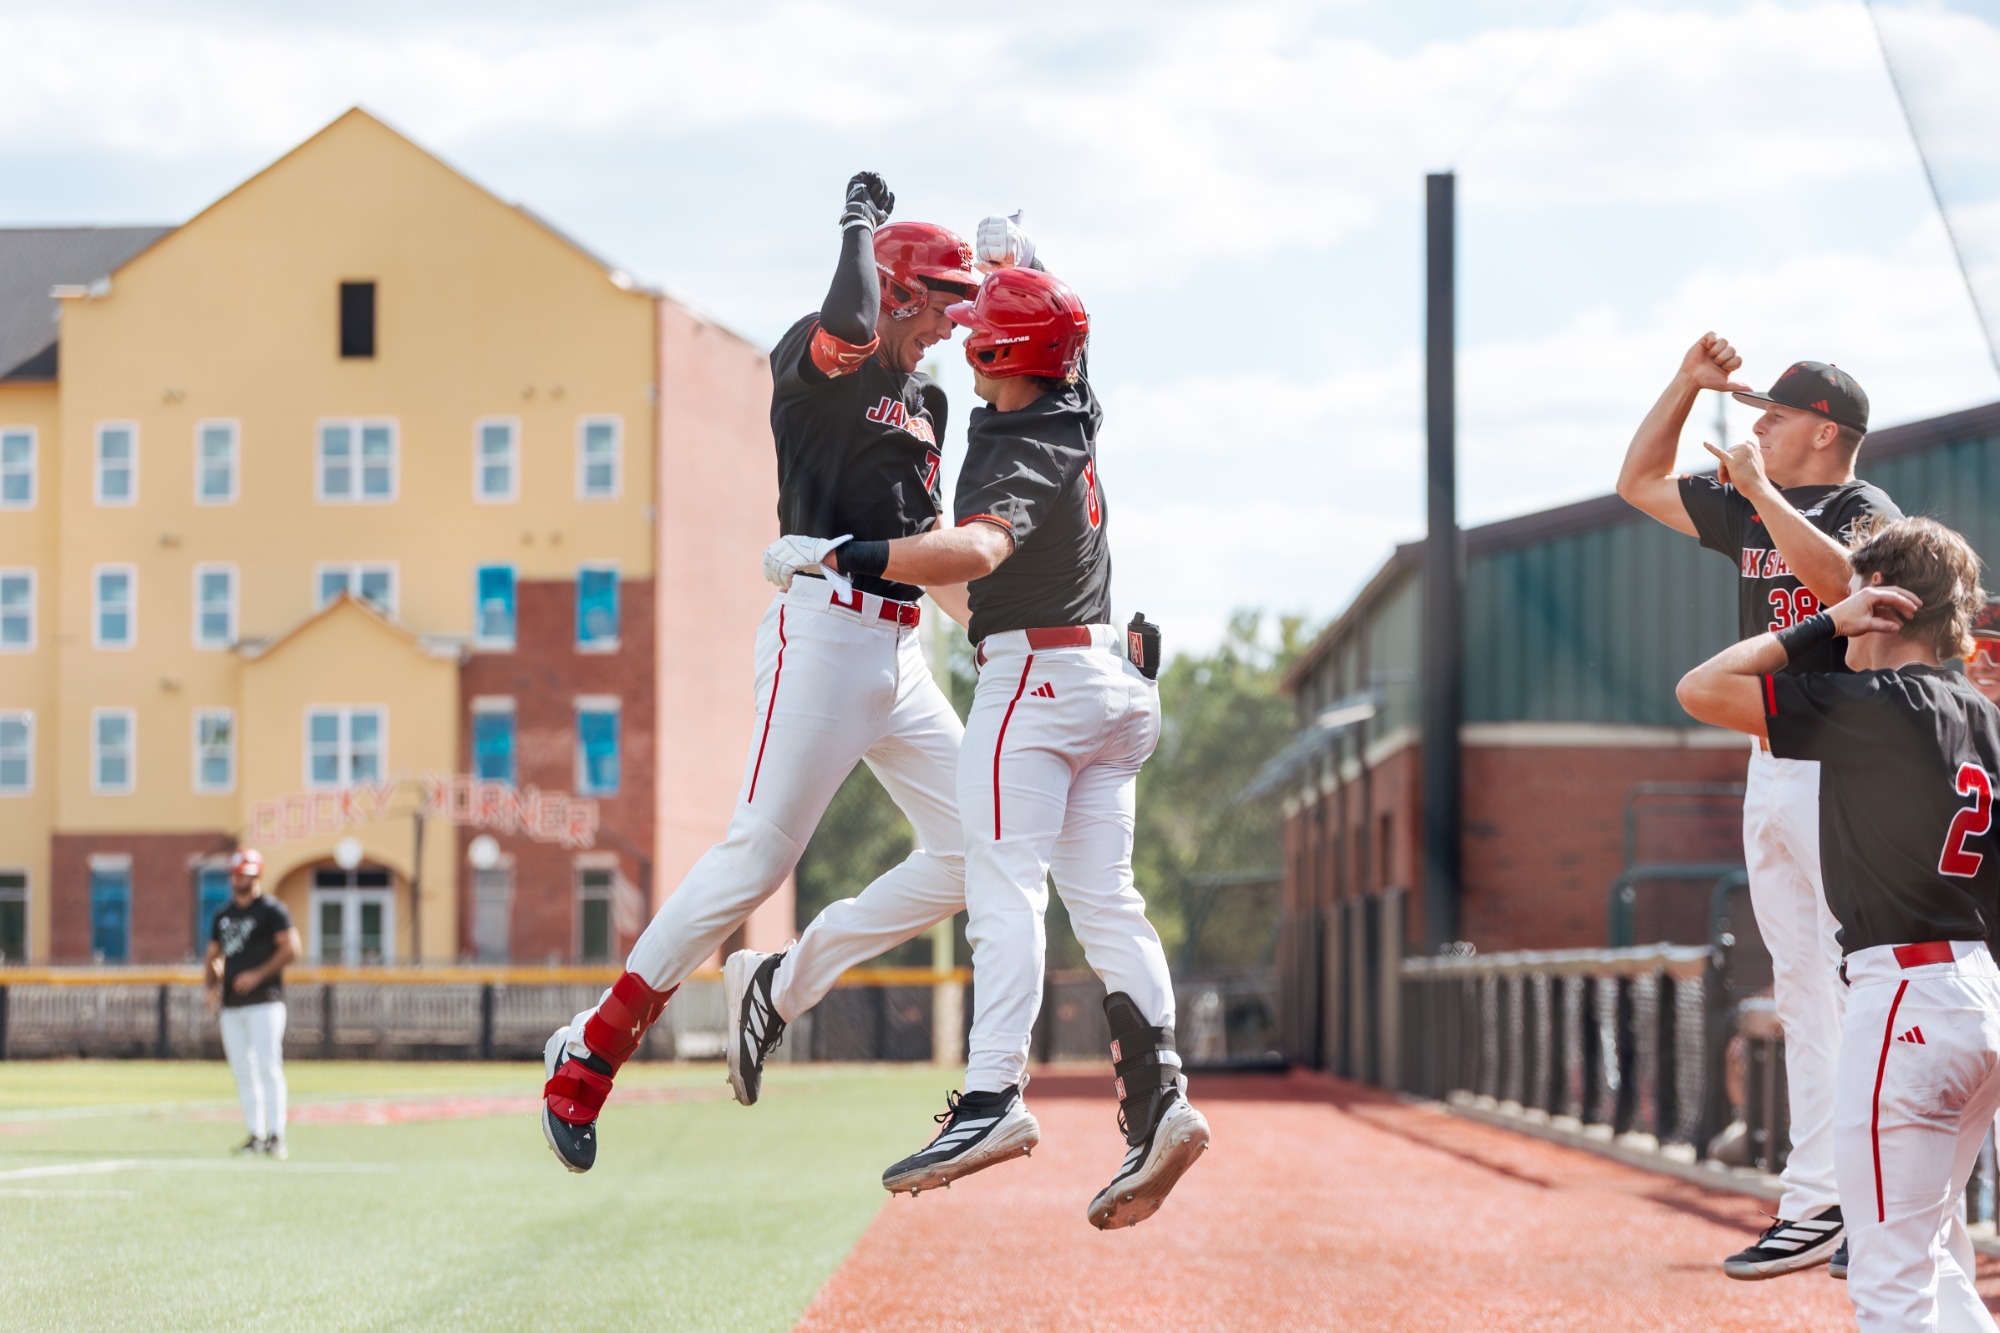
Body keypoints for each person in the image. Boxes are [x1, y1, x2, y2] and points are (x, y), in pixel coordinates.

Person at [764, 221, 1207, 1230]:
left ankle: (991, 1098)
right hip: (1108, 681)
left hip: (1035, 679)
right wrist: (1025, 264)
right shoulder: (1071, 401)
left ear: (999, 356)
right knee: (1107, 903)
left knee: (1002, 883)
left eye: (980, 323)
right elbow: (1060, 328)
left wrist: (841, 553)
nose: (961, 331)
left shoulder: (1016, 440)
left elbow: (969, 551)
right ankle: (1159, 1099)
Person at [539, 173, 979, 1171]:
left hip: (899, 647)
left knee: (978, 848)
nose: (953, 324)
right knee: (756, 856)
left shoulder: (928, 402)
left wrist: (1017, 638)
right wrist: (858, 227)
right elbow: (847, 321)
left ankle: (775, 984)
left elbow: (931, 553)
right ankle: (592, 1049)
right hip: (821, 632)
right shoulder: (819, 351)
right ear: (897, 290)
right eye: (942, 301)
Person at [1616, 335, 1901, 1277]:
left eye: (1775, 413)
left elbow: (1847, 592)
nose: (1757, 424)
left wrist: (1765, 495)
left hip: (1841, 758)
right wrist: (1686, 384)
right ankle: (1823, 1199)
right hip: (1771, 756)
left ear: (1825, 429)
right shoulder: (1748, 500)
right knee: (1802, 986)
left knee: (1851, 982)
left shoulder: (1865, 507)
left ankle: (1850, 1197)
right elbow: (1639, 479)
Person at [1675, 516, 2000, 1331]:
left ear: (1887, 606)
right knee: (1932, 1255)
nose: (1838, 600)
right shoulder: (1984, 716)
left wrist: (1824, 624)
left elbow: (1700, 687)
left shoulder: (1881, 701)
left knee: (1889, 1280)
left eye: (1857, 588)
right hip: (1977, 994)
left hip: (1905, 999)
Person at [204, 848, 299, 1159]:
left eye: (243, 874)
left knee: (269, 1065)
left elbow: (291, 948)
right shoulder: (223, 914)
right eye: (234, 874)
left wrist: (258, 974)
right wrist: (211, 985)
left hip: (265, 1002)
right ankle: (255, 1134)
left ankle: (277, 1135)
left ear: (256, 874)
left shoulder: (272, 910)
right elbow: (213, 954)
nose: (237, 879)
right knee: (243, 1070)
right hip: (232, 1005)